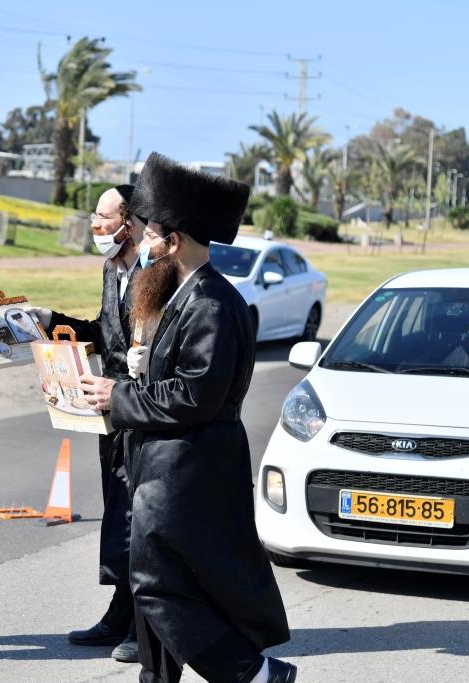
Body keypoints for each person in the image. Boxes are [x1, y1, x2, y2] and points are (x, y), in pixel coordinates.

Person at [81, 153, 295, 683]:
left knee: (156, 584)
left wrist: (117, 396)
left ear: (173, 241)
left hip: (189, 469)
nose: (143, 244)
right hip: (162, 463)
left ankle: (251, 673)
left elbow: (195, 396)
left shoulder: (213, 305)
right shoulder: (180, 294)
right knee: (158, 576)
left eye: (150, 234)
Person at [26, 185, 147, 664]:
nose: (95, 225)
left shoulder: (156, 276)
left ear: (130, 222)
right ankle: (121, 611)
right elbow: (104, 333)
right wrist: (49, 320)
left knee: (140, 517)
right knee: (118, 509)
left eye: (103, 216)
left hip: (140, 410)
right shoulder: (110, 269)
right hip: (109, 409)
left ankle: (145, 622)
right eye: (94, 216)